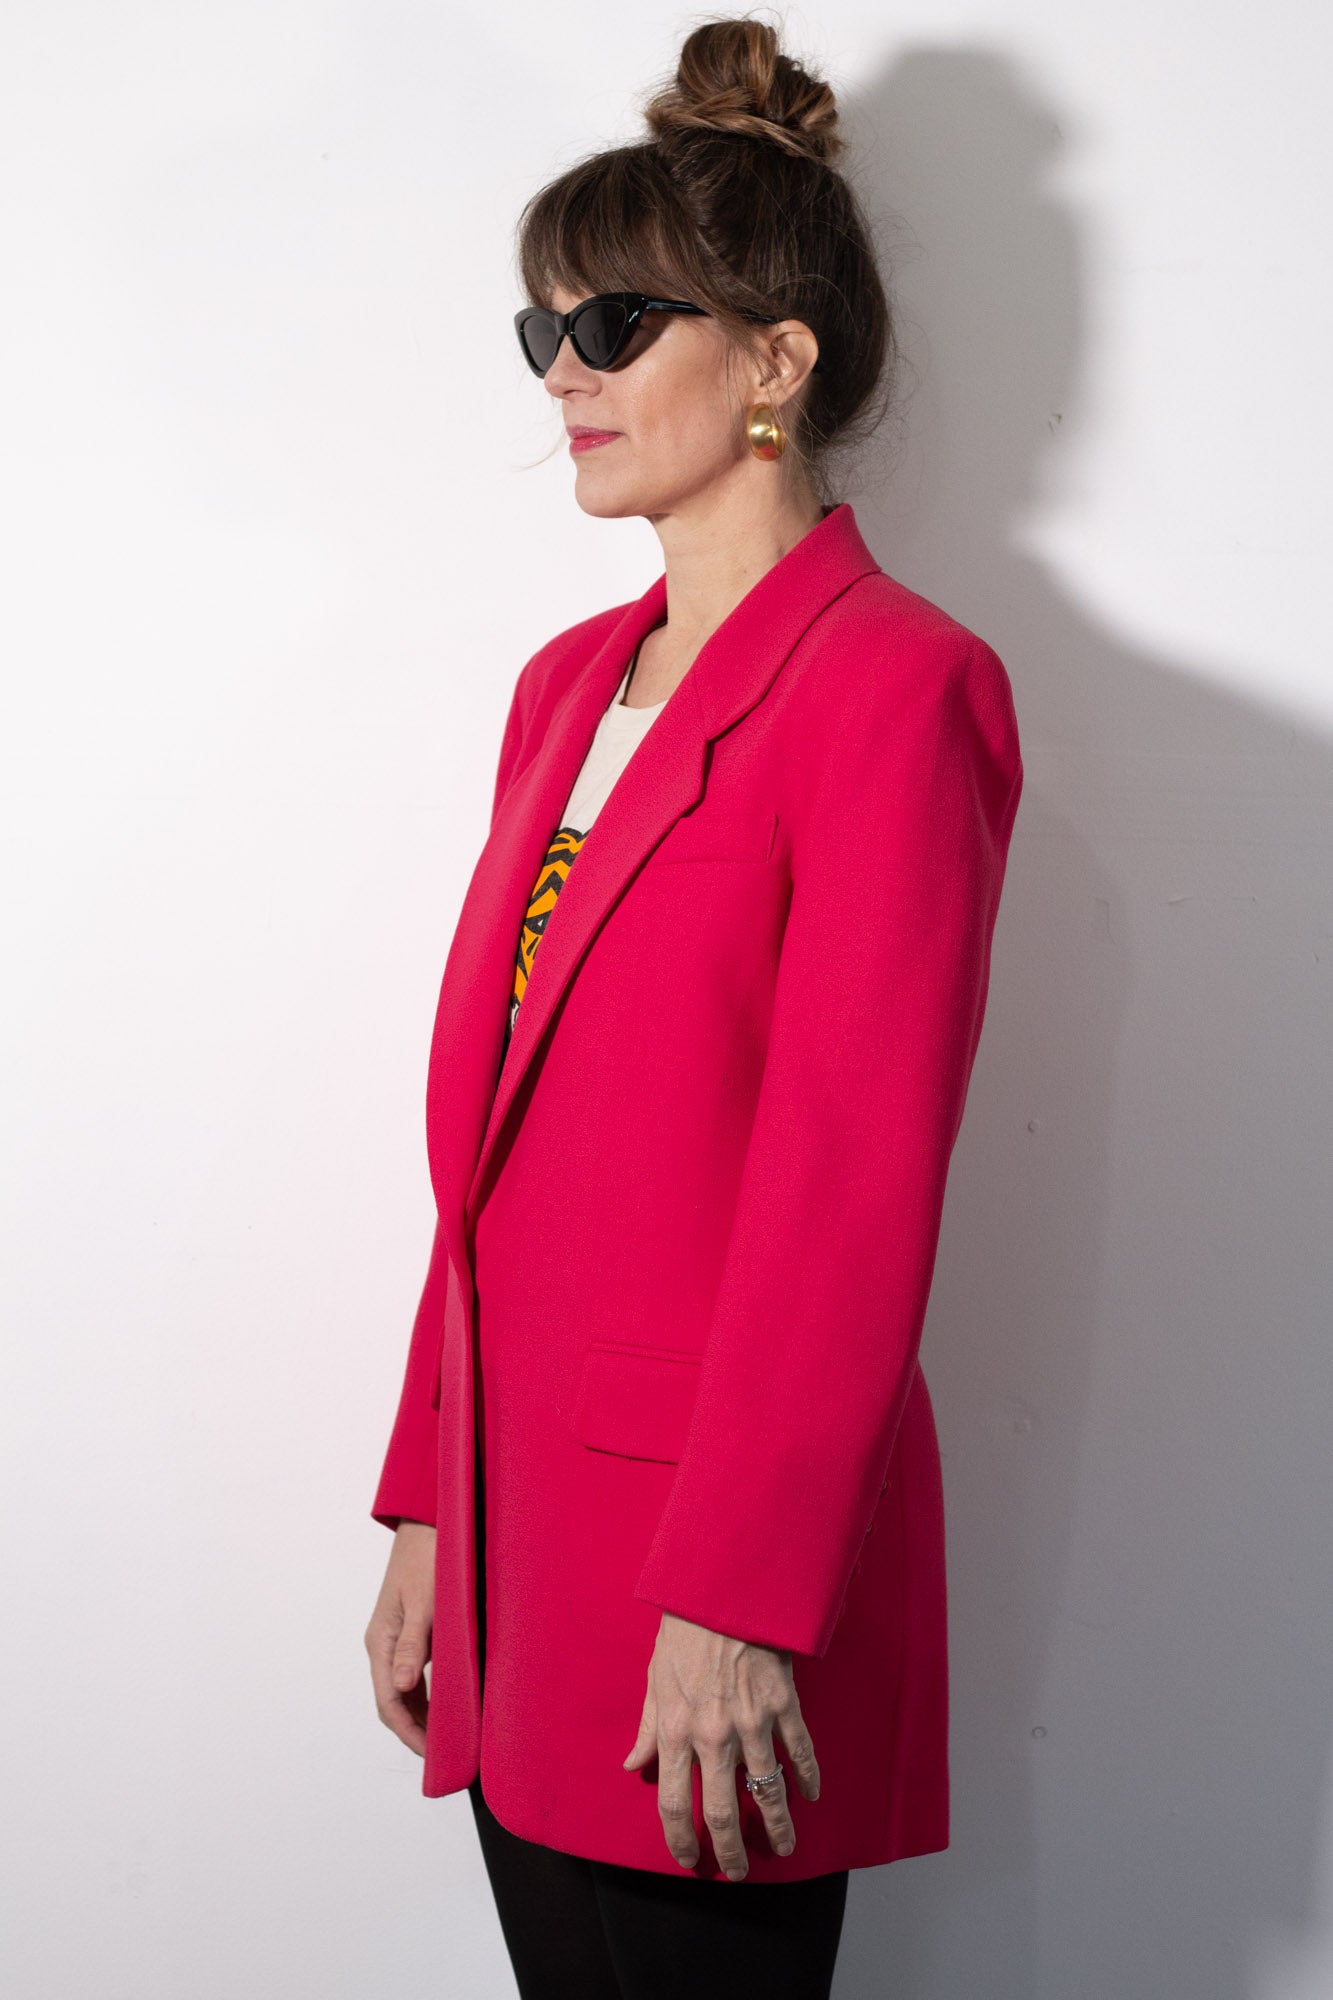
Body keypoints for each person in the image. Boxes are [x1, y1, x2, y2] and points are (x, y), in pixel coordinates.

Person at [363, 17, 1023, 1998]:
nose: (563, 373)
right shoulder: (567, 686)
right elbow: (489, 1150)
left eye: (618, 322)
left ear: (774, 360)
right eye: (542, 330)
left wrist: (741, 1596)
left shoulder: (896, 687)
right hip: (515, 1543)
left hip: (708, 1575)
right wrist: (420, 1506)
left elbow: (849, 1185)